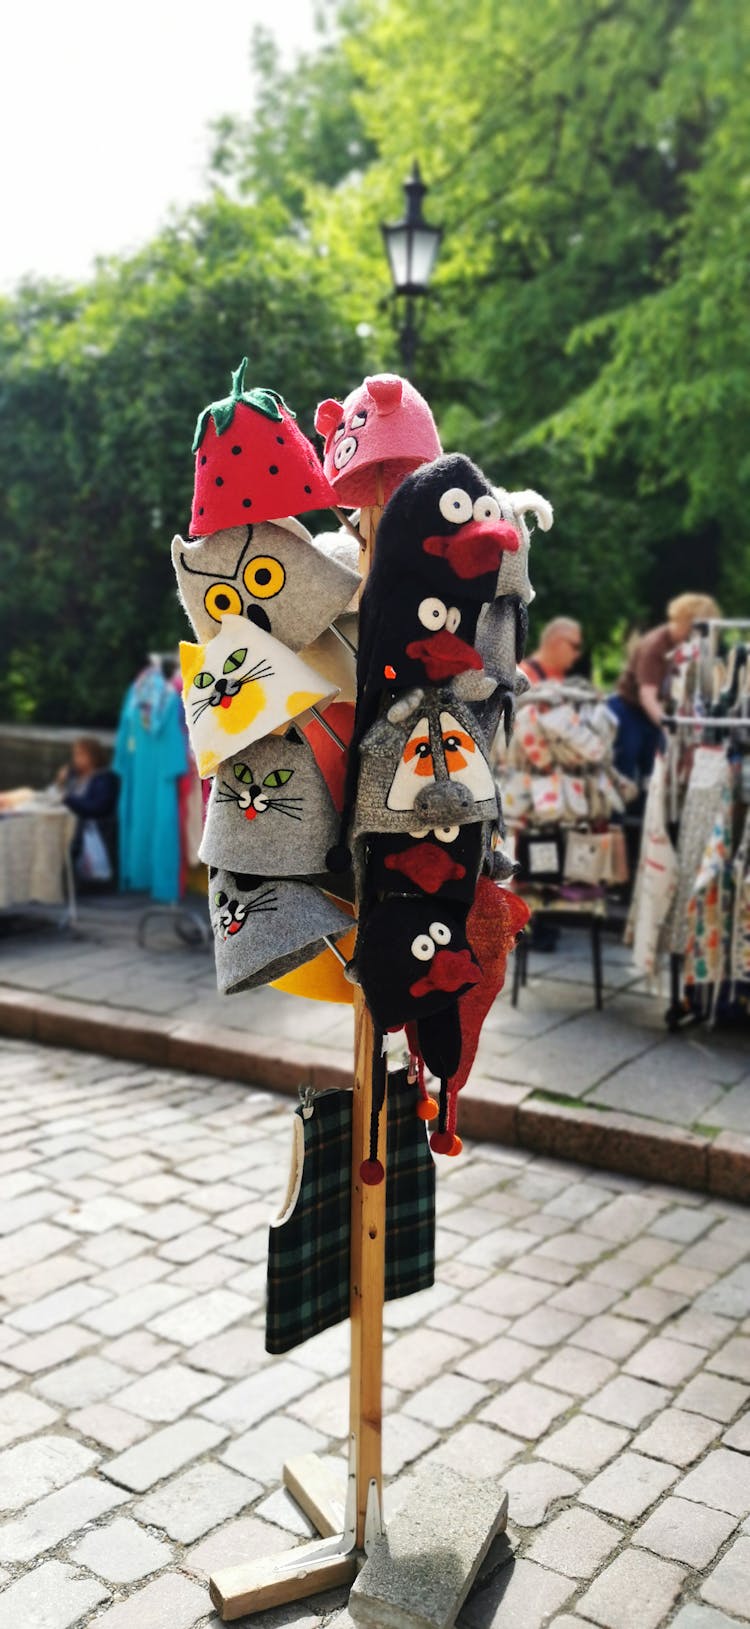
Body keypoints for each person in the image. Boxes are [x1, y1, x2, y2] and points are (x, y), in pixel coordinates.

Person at [609, 593, 720, 785]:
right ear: (688, 622)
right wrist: (668, 725)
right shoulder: (655, 646)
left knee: (654, 768)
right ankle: (619, 812)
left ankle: (644, 807)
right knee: (626, 763)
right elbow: (647, 695)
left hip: (652, 713)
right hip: (630, 710)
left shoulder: (683, 647)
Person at [54, 737, 119, 885]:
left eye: (80, 754)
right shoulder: (75, 776)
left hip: (89, 827)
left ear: (93, 756)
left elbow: (97, 807)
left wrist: (68, 800)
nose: (76, 759)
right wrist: (61, 781)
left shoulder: (104, 778)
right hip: (68, 822)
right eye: (75, 754)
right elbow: (58, 794)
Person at [521, 617, 583, 684]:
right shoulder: (523, 677)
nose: (577, 654)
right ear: (556, 642)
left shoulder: (561, 677)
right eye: (575, 646)